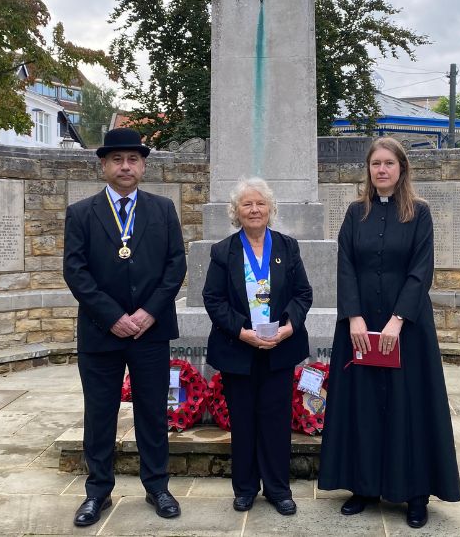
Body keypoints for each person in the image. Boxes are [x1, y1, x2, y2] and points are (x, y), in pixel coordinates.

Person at [317, 137, 460, 529]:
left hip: (408, 328)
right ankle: (363, 486)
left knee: (408, 406)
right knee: (361, 404)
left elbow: (421, 269)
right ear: (368, 170)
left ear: (402, 169)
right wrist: (354, 318)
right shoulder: (354, 214)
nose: (381, 170)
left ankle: (414, 493)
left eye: (389, 164)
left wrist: (397, 321)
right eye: (375, 164)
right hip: (360, 326)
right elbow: (344, 264)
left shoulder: (420, 214)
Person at [63, 128, 187, 527]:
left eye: (133, 159)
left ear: (143, 165)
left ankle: (157, 486)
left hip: (151, 331)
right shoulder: (81, 212)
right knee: (100, 413)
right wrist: (113, 316)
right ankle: (97, 491)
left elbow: (175, 267)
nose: (125, 167)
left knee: (152, 411)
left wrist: (148, 313)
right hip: (102, 333)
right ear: (104, 166)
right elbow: (76, 272)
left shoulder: (163, 209)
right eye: (117, 160)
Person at [202, 177, 313, 516]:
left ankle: (278, 489)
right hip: (240, 350)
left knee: (277, 422)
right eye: (247, 204)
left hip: (279, 348)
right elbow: (213, 299)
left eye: (260, 203)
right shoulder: (224, 251)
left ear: (270, 209)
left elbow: (303, 294)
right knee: (244, 421)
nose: (254, 209)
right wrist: (242, 332)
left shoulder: (287, 247)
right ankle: (245, 488)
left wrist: (288, 328)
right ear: (236, 211)